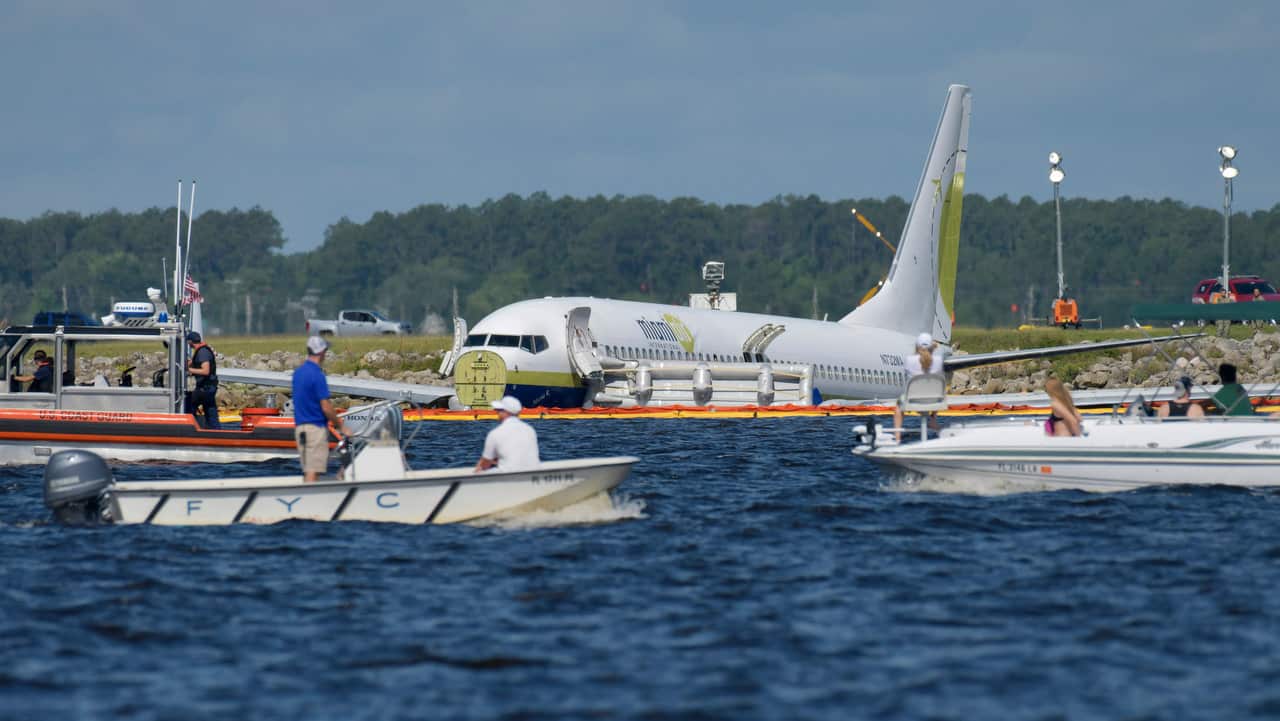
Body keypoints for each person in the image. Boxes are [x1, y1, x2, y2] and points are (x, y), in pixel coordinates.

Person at [291, 335, 349, 481]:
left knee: (308, 470)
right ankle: (311, 501)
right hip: (315, 428)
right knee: (313, 471)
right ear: (322, 352)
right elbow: (326, 407)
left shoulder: (298, 374)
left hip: (300, 428)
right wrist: (341, 426)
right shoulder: (317, 375)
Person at [893, 332, 944, 441]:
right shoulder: (939, 360)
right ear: (931, 347)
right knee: (940, 391)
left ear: (917, 346)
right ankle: (933, 420)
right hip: (934, 401)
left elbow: (908, 375)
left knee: (898, 406)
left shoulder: (909, 360)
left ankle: (897, 436)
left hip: (913, 400)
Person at [474, 395, 540, 472]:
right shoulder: (530, 430)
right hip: (532, 474)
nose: (497, 412)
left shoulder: (495, 434)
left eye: (499, 410)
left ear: (505, 412)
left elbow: (484, 465)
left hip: (509, 476)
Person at [185, 331, 220, 429]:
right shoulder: (201, 351)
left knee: (189, 404)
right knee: (210, 411)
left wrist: (189, 370)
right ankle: (216, 432)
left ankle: (189, 427)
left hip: (205, 388)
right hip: (209, 387)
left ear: (190, 342)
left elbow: (205, 371)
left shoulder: (202, 352)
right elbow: (194, 363)